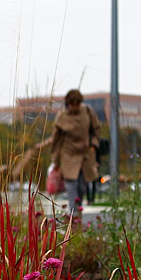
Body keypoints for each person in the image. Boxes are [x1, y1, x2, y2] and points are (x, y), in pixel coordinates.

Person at [50, 89, 101, 217]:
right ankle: (74, 216)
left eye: (77, 104)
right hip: (68, 156)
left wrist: (93, 145)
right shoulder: (62, 117)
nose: (75, 107)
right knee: (71, 187)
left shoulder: (88, 112)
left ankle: (77, 213)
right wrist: (55, 161)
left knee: (81, 187)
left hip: (85, 156)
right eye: (72, 104)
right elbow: (56, 140)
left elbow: (97, 129)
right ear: (68, 104)